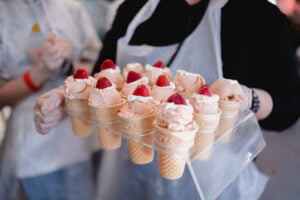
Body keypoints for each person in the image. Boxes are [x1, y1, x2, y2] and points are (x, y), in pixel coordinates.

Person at [35, 0, 300, 199]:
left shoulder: (256, 15)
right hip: (129, 176)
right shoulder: (135, 9)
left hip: (214, 185)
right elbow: (103, 78)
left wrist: (248, 99)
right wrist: (64, 98)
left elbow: (288, 107)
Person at [0, 0, 101, 199]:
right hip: (34, 148)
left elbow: (100, 71)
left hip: (84, 135)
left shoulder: (73, 9)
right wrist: (40, 73)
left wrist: (69, 66)